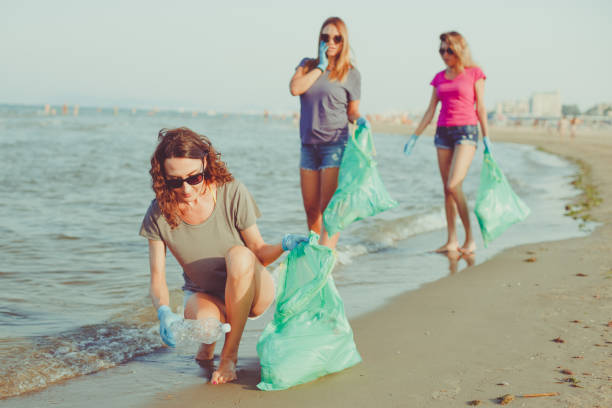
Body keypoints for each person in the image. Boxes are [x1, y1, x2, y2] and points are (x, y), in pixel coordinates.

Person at [139, 127, 307, 385]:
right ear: (163, 177)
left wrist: (283, 244)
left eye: (193, 178)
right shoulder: (158, 213)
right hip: (205, 294)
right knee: (205, 328)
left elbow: (258, 253)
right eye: (175, 181)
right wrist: (162, 311)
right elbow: (157, 277)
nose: (185, 189)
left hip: (251, 288)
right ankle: (207, 348)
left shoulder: (232, 192)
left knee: (239, 254)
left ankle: (229, 357)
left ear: (205, 163)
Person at [289, 16, 367, 249]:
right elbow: (295, 88)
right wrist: (321, 67)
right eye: (325, 37)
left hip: (334, 145)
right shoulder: (307, 65)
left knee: (328, 209)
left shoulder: (351, 73)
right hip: (308, 146)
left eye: (337, 38)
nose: (331, 42)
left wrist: (361, 120)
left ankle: (327, 257)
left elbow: (353, 111)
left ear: (344, 42)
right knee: (311, 209)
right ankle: (316, 252)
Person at [407, 31, 489, 254]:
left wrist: (487, 138)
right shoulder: (439, 77)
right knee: (447, 190)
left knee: (454, 185)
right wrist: (415, 135)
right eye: (441, 50)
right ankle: (452, 240)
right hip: (443, 133)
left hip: (466, 132)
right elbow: (431, 109)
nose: (444, 54)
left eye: (449, 50)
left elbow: (480, 107)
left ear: (459, 50)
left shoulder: (475, 73)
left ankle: (470, 239)